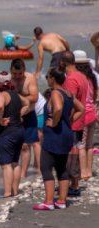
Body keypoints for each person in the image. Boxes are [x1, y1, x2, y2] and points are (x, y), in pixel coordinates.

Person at [33, 67, 83, 210]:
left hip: (55, 134)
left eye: (48, 76)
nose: (47, 79)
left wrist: (55, 122)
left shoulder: (55, 92)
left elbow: (58, 108)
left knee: (45, 166)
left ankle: (49, 202)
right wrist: (69, 121)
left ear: (53, 79)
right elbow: (81, 109)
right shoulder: (68, 93)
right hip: (66, 133)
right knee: (61, 167)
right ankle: (61, 201)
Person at [0, 71, 30, 198]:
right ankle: (15, 191)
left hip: (7, 133)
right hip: (19, 131)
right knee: (15, 162)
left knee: (6, 165)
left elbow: (0, 106)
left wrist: (0, 119)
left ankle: (8, 192)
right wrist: (20, 114)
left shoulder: (1, 95)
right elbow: (27, 103)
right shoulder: (16, 94)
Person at [59, 50, 88, 197]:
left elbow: (70, 103)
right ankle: (74, 184)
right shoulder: (82, 76)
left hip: (72, 122)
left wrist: (64, 121)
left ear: (63, 63)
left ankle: (73, 185)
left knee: (71, 154)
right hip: (80, 121)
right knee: (75, 152)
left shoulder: (70, 80)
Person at [10, 59, 41, 178]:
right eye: (14, 74)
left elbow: (34, 97)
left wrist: (17, 97)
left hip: (28, 114)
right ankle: (12, 171)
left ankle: (22, 175)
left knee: (26, 146)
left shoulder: (30, 78)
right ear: (10, 71)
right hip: (13, 115)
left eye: (20, 73)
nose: (17, 76)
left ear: (24, 70)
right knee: (13, 145)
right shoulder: (8, 79)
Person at [73, 50, 98, 180]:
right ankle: (89, 171)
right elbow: (94, 97)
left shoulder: (77, 78)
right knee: (89, 145)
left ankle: (82, 172)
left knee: (81, 145)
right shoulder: (92, 77)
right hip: (92, 113)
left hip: (83, 115)